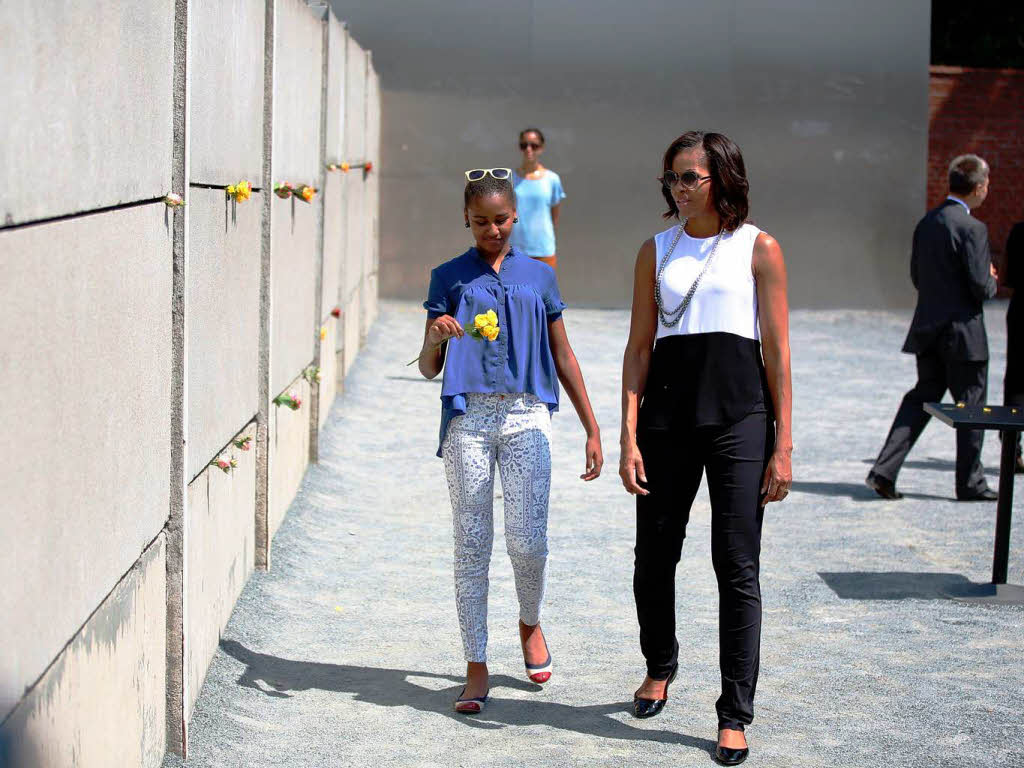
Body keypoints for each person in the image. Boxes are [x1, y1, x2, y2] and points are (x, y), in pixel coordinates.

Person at [618, 131, 792, 766]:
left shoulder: (758, 248)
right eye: (672, 177)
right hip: (666, 423)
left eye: (691, 177)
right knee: (652, 557)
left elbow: (777, 353)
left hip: (740, 421)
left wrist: (784, 445)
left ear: (722, 178)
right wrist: (628, 433)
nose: (679, 187)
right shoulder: (654, 250)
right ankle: (660, 666)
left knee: (736, 566)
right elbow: (639, 348)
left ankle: (734, 712)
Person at [418, 168, 603, 715]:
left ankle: (529, 621)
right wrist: (435, 334)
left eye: (500, 220)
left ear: (516, 216)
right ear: (466, 220)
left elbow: (564, 356)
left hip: (526, 416)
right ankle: (476, 662)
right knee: (471, 545)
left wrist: (593, 427)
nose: (492, 231)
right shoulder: (448, 276)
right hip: (467, 421)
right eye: (480, 222)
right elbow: (430, 368)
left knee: (527, 543)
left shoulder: (539, 276)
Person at [866, 154, 999, 501]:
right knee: (972, 405)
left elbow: (917, 276)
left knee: (921, 399)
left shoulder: (927, 222)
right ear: (980, 186)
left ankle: (884, 470)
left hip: (928, 329)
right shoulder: (973, 228)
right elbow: (980, 287)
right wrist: (991, 280)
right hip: (964, 335)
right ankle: (970, 483)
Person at [508, 128, 565, 271]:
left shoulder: (552, 179)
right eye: (524, 145)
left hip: (544, 249)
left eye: (534, 145)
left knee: (544, 292)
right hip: (515, 250)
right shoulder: (510, 179)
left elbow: (554, 216)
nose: (529, 149)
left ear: (542, 148)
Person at [1001, 217, 1024, 472]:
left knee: (1017, 378)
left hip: (1020, 310)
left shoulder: (1018, 230)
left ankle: (1012, 446)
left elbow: (1007, 276)